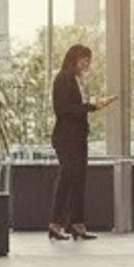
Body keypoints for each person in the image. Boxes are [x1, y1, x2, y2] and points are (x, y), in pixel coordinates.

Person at [50, 44, 115, 241]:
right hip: (66, 137)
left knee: (79, 179)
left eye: (89, 59)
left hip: (78, 136)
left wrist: (93, 105)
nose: (87, 63)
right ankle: (56, 223)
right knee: (67, 177)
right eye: (84, 59)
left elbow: (77, 106)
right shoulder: (64, 78)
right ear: (74, 59)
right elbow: (62, 109)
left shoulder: (78, 80)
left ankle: (77, 224)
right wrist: (91, 106)